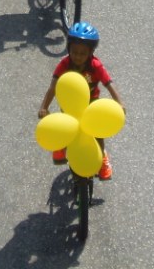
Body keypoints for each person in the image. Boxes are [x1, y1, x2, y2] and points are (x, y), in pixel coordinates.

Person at [38, 22, 122, 180]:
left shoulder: (95, 65)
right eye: (74, 51)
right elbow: (53, 88)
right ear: (68, 49)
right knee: (65, 127)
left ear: (91, 52)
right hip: (71, 105)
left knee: (98, 135)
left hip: (92, 106)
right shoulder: (64, 64)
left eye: (83, 53)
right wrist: (44, 107)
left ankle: (102, 159)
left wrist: (119, 102)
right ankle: (61, 146)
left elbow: (108, 83)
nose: (77, 56)